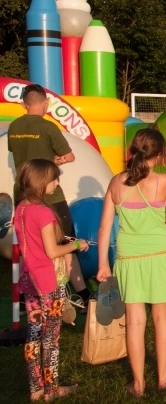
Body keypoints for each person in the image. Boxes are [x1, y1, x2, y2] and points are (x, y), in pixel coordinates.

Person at [96, 128, 166, 397]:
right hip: (158, 257)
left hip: (128, 259)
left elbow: (104, 228)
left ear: (132, 151)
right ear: (160, 154)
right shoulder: (163, 182)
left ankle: (138, 384)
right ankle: (163, 377)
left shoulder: (116, 183)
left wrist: (103, 263)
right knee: (161, 318)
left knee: (135, 322)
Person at [8, 84, 91, 309]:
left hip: (23, 196)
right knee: (66, 242)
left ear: (24, 104)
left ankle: (29, 293)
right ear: (45, 103)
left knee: (29, 245)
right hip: (49, 198)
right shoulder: (48, 128)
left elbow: (18, 155)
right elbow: (69, 156)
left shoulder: (14, 127)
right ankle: (82, 292)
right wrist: (58, 160)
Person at [14, 159, 89, 401]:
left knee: (34, 334)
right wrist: (77, 244)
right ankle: (52, 389)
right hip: (47, 282)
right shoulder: (44, 212)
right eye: (54, 178)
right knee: (51, 337)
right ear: (42, 181)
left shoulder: (22, 208)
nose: (57, 182)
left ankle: (36, 388)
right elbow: (52, 252)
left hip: (28, 280)